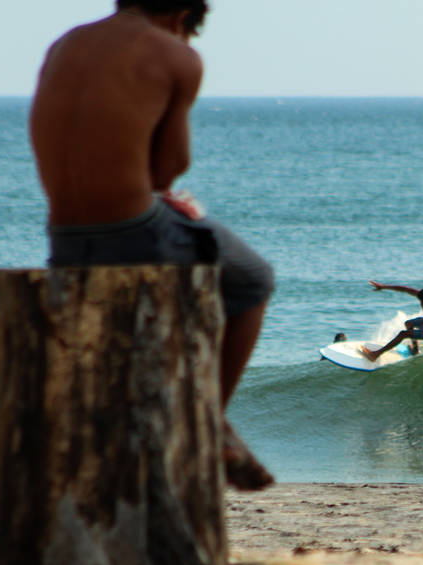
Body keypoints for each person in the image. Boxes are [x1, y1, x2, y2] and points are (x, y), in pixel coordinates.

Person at [29, 0, 275, 490]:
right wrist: (166, 204)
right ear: (183, 15)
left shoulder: (67, 43)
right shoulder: (175, 56)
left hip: (63, 236)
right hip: (131, 229)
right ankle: (206, 420)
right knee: (252, 277)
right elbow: (166, 171)